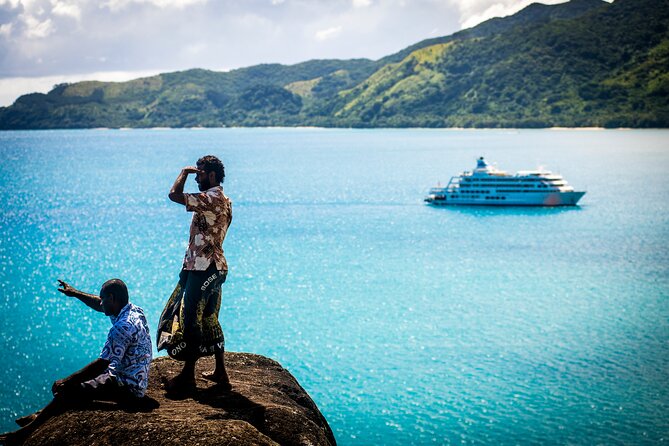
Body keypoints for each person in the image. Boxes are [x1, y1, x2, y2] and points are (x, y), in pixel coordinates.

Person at [0, 279, 153, 445]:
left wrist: (66, 380)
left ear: (112, 297)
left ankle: (23, 434)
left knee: (69, 389)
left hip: (128, 386)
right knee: (75, 387)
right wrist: (74, 292)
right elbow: (99, 304)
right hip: (133, 376)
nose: (101, 302)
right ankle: (39, 414)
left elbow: (102, 364)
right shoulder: (133, 310)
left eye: (103, 298)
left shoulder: (123, 326)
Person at [162, 155, 232, 393]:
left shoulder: (210, 198)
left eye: (199, 174)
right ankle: (221, 372)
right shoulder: (225, 199)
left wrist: (183, 172)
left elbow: (173, 195)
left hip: (204, 267)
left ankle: (187, 377)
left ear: (211, 175)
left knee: (191, 316)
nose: (196, 178)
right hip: (216, 266)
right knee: (209, 317)